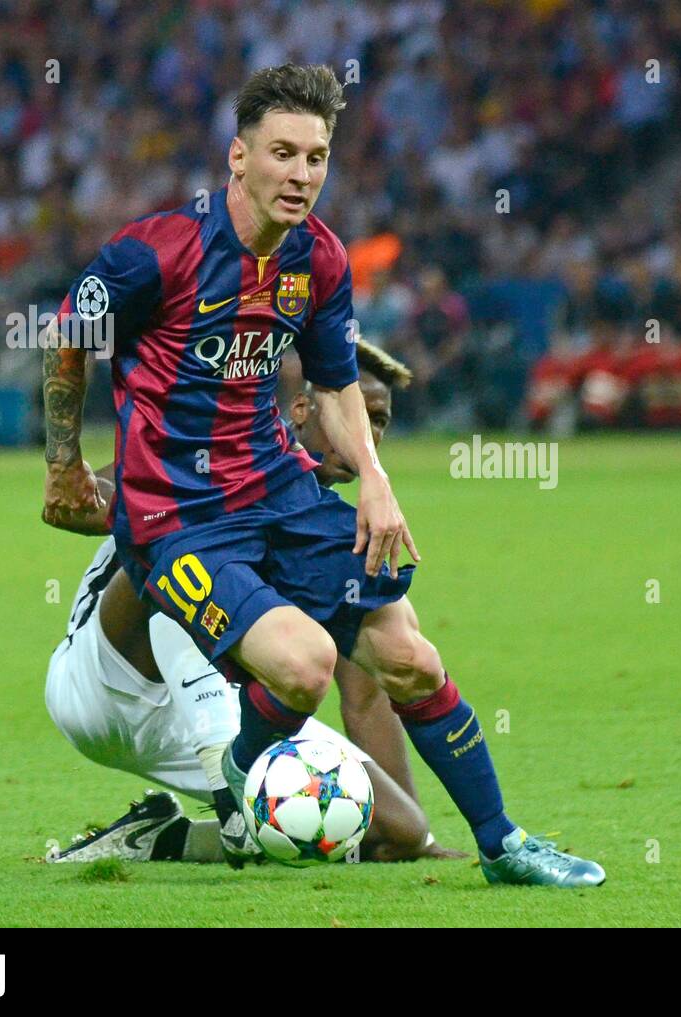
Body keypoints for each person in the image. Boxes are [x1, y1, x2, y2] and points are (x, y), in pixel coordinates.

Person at [41, 63, 603, 886]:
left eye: (317, 156)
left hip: (280, 491)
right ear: (238, 157)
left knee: (409, 655)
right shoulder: (156, 251)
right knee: (303, 666)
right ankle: (243, 768)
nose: (301, 174)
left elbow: (337, 382)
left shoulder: (321, 259)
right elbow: (67, 331)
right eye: (283, 153)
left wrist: (374, 480)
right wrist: (61, 464)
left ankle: (505, 845)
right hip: (179, 520)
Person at [46, 344, 464, 865]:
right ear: (302, 409)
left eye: (378, 421)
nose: (367, 435)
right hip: (107, 680)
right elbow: (96, 497)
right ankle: (231, 796)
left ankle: (161, 839)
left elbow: (364, 697)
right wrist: (120, 498)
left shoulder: (337, 531)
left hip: (217, 713)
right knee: (190, 567)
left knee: (395, 832)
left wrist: (419, 844)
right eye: (357, 414)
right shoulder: (218, 454)